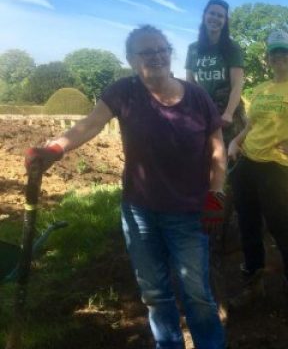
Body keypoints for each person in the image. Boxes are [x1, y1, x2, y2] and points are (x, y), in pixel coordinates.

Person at [26, 25, 227, 349]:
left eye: (162, 49)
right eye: (147, 52)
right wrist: (55, 149)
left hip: (189, 213)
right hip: (141, 213)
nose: (157, 56)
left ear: (170, 52)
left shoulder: (197, 96)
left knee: (197, 294)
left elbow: (217, 146)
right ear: (132, 60)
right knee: (154, 293)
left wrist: (216, 193)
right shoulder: (123, 92)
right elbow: (90, 124)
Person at [227, 30, 288, 329]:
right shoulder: (260, 90)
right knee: (247, 227)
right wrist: (236, 142)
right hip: (247, 165)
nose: (279, 57)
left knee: (281, 229)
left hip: (276, 168)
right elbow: (252, 125)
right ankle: (253, 283)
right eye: (274, 53)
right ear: (268, 59)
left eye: (285, 52)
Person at [186, 0, 245, 142]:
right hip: (203, 110)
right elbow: (190, 83)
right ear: (205, 15)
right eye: (212, 13)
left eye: (220, 16)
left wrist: (229, 113)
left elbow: (237, 84)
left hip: (227, 112)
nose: (215, 18)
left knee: (229, 158)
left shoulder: (232, 48)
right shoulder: (193, 49)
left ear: (225, 21)